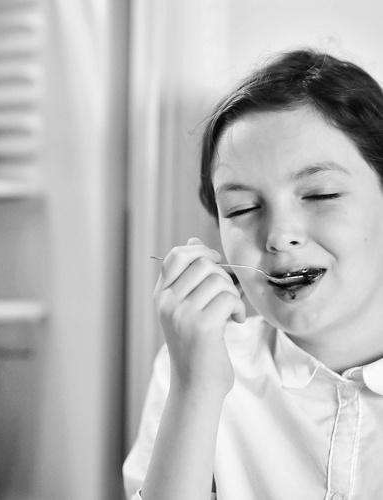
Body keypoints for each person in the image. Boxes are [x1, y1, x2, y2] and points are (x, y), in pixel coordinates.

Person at [123, 48, 383, 500]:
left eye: (320, 195)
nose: (278, 237)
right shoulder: (190, 366)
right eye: (242, 209)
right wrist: (195, 388)